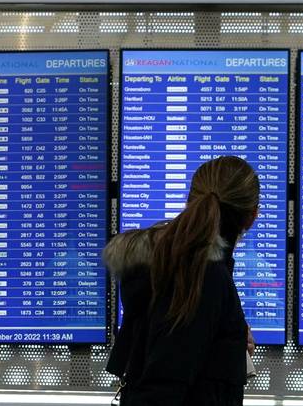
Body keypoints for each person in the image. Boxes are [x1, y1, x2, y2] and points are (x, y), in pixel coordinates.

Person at [103, 156, 259, 406]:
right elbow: (166, 383)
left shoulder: (170, 263)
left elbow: (173, 354)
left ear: (189, 201)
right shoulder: (201, 275)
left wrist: (230, 342)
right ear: (252, 216)